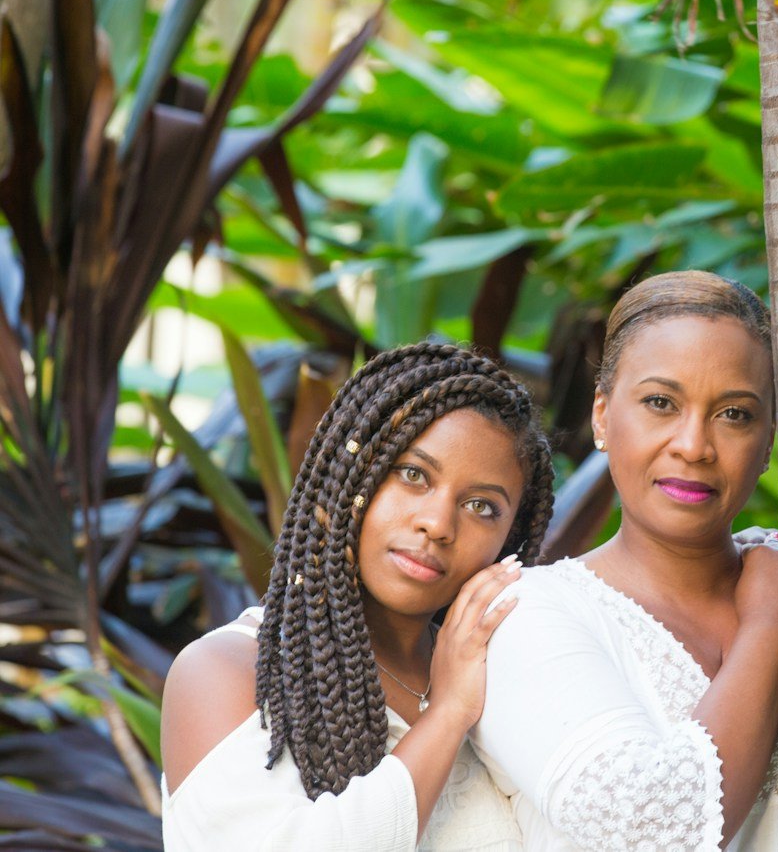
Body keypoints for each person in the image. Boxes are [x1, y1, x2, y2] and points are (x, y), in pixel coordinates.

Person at [160, 342, 556, 851]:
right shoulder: (225, 671)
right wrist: (449, 712)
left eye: (481, 506)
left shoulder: (503, 674)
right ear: (349, 477)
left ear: (511, 537)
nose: (437, 524)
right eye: (413, 475)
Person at [474, 271, 778, 851]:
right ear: (602, 414)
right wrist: (769, 625)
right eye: (660, 403)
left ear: (770, 439)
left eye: (735, 414)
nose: (694, 445)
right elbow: (657, 833)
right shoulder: (528, 614)